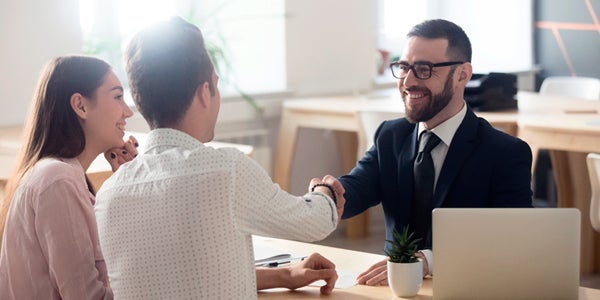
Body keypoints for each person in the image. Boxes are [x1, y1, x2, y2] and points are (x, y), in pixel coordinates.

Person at [94, 16, 345, 299]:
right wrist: (323, 192)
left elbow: (186, 273)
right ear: (204, 92)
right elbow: (317, 221)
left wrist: (284, 275)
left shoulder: (108, 196)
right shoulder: (228, 171)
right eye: (215, 83)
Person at [327, 19, 533, 286]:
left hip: (470, 286)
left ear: (462, 74)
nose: (408, 81)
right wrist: (327, 193)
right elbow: (356, 188)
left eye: (424, 69)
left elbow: (512, 239)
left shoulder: (506, 154)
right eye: (403, 67)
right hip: (395, 289)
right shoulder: (390, 135)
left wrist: (428, 260)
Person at [0, 55, 138, 299]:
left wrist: (125, 185)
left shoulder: (63, 177)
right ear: (80, 106)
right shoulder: (57, 180)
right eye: (118, 96)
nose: (128, 112)